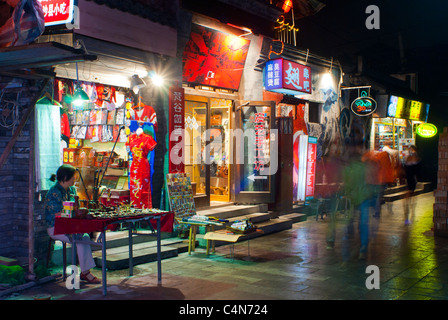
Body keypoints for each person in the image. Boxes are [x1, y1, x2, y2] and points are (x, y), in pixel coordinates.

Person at [45, 164, 100, 284]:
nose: (75, 179)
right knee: (81, 237)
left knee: (84, 235)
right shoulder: (53, 192)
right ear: (65, 177)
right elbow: (56, 214)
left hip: (71, 226)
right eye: (73, 177)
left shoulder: (71, 190)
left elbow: (76, 207)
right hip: (56, 227)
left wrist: (81, 212)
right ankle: (86, 273)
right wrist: (74, 212)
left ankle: (85, 272)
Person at [403, 145, 421, 225]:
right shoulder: (415, 158)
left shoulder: (408, 158)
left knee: (410, 190)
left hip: (408, 177)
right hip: (412, 177)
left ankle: (408, 201)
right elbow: (417, 169)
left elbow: (406, 167)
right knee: (411, 190)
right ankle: (409, 202)